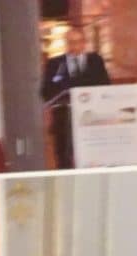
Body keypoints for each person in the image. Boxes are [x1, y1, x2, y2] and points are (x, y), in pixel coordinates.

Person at [41, 27, 111, 169]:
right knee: (64, 158)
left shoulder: (95, 60)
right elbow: (46, 91)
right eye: (70, 42)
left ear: (84, 43)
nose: (74, 46)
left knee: (92, 157)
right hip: (64, 118)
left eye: (78, 42)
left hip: (92, 117)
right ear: (66, 43)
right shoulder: (56, 64)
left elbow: (105, 85)